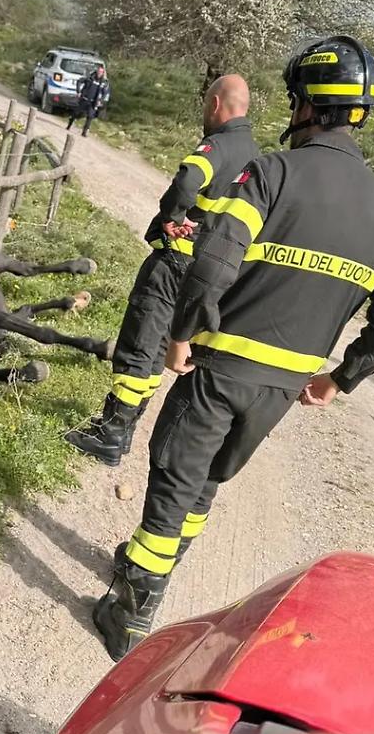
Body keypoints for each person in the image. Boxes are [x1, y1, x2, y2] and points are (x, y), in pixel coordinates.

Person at [93, 36, 374, 661]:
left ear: (309, 106)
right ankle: (147, 562)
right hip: (282, 388)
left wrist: (183, 331)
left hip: (221, 366)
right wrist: (340, 379)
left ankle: (132, 608)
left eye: (295, 100)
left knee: (175, 475)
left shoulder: (272, 172)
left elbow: (214, 261)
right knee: (209, 480)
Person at [66, 74, 258, 467]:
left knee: (141, 342)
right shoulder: (257, 156)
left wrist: (172, 216)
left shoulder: (218, 145)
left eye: (208, 104)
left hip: (173, 264)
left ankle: (110, 432)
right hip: (206, 271)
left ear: (217, 104)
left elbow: (189, 177)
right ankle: (126, 427)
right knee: (157, 351)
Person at [67, 64, 110, 136]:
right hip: (84, 99)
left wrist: (100, 100)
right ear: (96, 71)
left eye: (101, 72)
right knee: (76, 113)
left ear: (103, 73)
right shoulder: (90, 78)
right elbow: (79, 81)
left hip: (93, 102)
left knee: (90, 116)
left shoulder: (103, 82)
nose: (99, 73)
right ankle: (70, 124)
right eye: (98, 71)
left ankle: (84, 132)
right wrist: (79, 91)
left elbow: (104, 93)